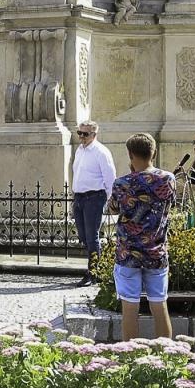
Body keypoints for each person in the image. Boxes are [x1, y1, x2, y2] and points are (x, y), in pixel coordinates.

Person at [108, 133, 177, 341]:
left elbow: (111, 208)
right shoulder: (167, 179)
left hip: (128, 252)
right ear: (153, 152)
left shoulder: (122, 183)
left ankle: (130, 356)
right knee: (159, 303)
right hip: (156, 251)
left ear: (130, 154)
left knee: (129, 306)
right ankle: (165, 354)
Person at [71, 120, 117, 280]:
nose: (81, 137)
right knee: (83, 235)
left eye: (85, 134)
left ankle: (93, 272)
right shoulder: (80, 150)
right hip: (79, 197)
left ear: (94, 134)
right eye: (79, 133)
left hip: (94, 197)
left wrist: (111, 200)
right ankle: (98, 263)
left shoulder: (101, 152)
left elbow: (110, 177)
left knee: (92, 236)